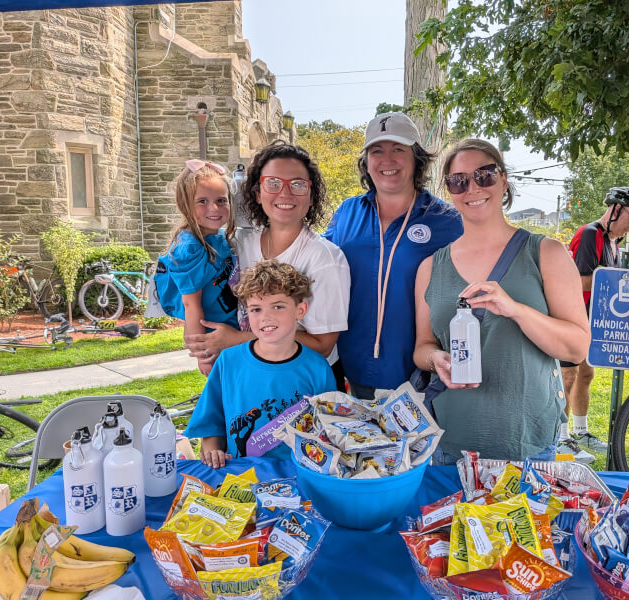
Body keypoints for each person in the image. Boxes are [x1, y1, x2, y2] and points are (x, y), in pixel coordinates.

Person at [413, 139, 590, 463]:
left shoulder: (546, 253)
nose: (472, 187)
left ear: (504, 180)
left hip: (527, 444)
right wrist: (436, 358)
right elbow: (422, 347)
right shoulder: (430, 267)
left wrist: (517, 310)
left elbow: (577, 348)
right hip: (449, 443)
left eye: (485, 175)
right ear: (449, 190)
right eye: (458, 180)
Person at [183, 143, 350, 389]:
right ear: (258, 193)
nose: (285, 193)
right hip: (253, 373)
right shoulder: (239, 243)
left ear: (311, 196)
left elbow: (322, 346)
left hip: (303, 382)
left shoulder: (325, 259)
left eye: (298, 184)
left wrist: (237, 339)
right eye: (273, 183)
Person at [324, 112, 463, 399]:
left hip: (424, 378)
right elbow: (315, 266)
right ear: (366, 161)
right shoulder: (347, 212)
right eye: (377, 151)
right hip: (352, 373)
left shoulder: (447, 220)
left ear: (416, 158)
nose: (387, 160)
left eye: (398, 149)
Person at [184, 260, 335, 468]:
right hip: (241, 475)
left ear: (300, 310)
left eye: (278, 306)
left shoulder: (318, 368)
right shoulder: (228, 361)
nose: (266, 317)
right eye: (256, 309)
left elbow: (330, 432)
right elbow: (211, 423)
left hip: (298, 475)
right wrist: (213, 452)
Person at [559, 187, 629, 461]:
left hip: (592, 319)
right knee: (568, 377)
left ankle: (580, 431)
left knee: (586, 375)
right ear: (615, 210)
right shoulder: (590, 235)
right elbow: (578, 280)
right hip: (572, 315)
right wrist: (614, 279)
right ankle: (560, 438)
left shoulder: (613, 242)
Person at [154, 159, 238, 376]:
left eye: (221, 200)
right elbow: (190, 304)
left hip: (231, 328)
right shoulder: (189, 247)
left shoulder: (220, 237)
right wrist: (202, 354)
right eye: (202, 201)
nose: (214, 208)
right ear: (186, 205)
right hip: (212, 337)